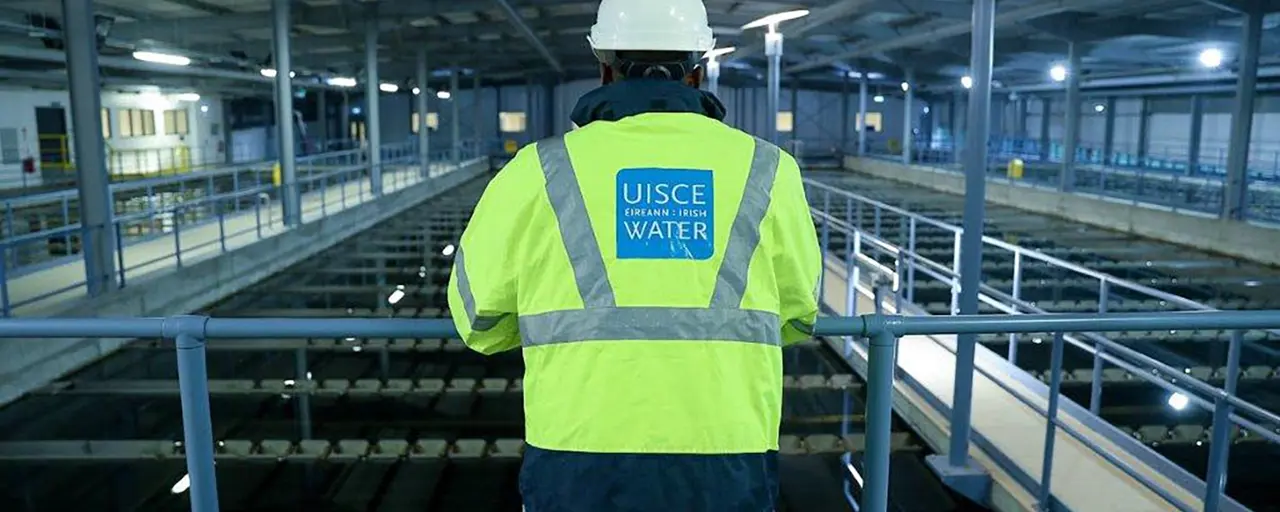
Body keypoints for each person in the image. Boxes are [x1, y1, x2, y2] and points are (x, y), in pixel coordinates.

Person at [446, 0, 821, 509]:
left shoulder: (537, 169)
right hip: (728, 451)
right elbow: (798, 315)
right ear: (699, 69)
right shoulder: (770, 169)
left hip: (577, 455)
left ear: (604, 66)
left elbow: (477, 322)